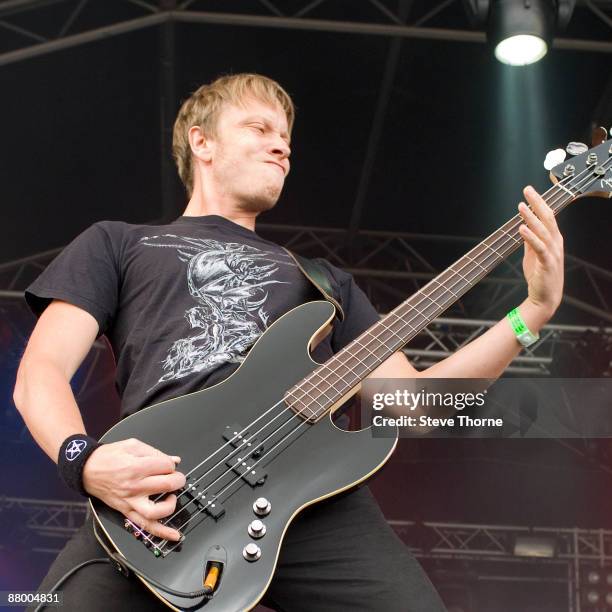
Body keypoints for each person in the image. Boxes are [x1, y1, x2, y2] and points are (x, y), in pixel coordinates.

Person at [13, 73, 564, 611]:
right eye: (259, 128)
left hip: (311, 493)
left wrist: (530, 313)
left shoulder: (323, 281)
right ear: (200, 142)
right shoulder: (121, 242)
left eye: (287, 140)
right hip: (163, 495)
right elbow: (41, 370)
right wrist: (82, 461)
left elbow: (414, 405)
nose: (281, 146)